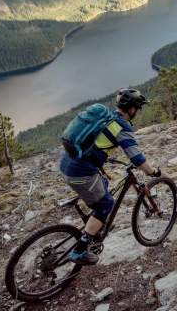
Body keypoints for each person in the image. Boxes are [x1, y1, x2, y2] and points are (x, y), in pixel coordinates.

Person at [59, 88, 161, 265]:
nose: (138, 111)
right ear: (132, 109)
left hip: (67, 163)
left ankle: (97, 224)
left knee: (104, 183)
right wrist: (153, 171)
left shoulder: (105, 117)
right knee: (106, 204)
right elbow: (138, 159)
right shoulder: (122, 126)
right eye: (138, 108)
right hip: (80, 173)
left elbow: (95, 142)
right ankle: (79, 250)